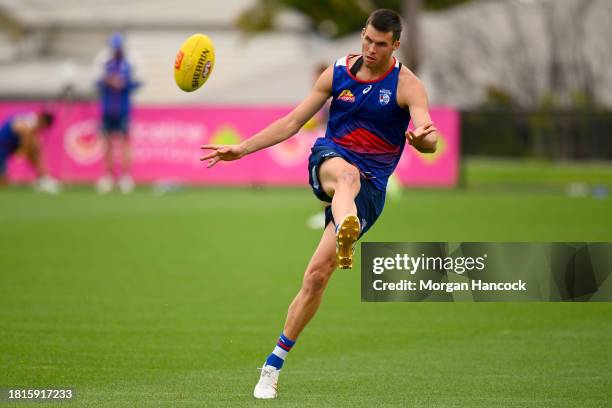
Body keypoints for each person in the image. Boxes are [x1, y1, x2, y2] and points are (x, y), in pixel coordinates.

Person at [200, 9, 438, 399]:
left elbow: (427, 134)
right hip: (331, 160)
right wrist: (241, 148)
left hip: (373, 188)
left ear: (395, 45)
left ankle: (273, 363)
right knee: (347, 177)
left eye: (381, 44)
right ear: (362, 34)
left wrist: (424, 140)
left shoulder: (408, 85)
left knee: (316, 276)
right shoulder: (337, 73)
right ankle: (349, 225)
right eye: (368, 40)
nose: (372, 49)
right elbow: (294, 122)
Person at [94, 33, 141, 194]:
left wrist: (124, 83)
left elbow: (139, 82)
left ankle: (125, 177)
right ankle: (108, 176)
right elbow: (95, 81)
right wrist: (107, 81)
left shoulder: (130, 63)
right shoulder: (104, 62)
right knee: (106, 143)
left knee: (125, 141)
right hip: (107, 108)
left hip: (123, 108)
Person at [0, 111, 60, 194]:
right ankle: (44, 179)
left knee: (35, 152)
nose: (42, 128)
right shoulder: (28, 122)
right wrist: (23, 151)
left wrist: (32, 150)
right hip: (2, 144)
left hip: (12, 144)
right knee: (2, 183)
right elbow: (26, 138)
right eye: (43, 126)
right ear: (41, 120)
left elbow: (34, 143)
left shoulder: (33, 125)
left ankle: (45, 179)